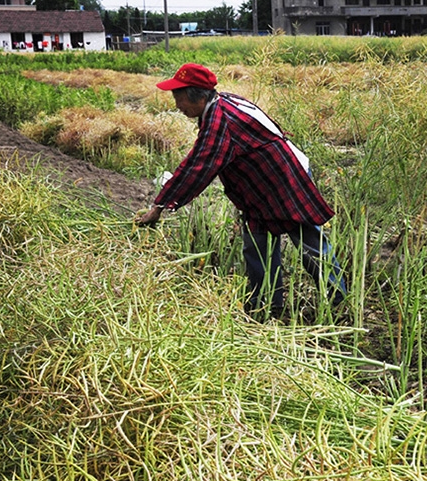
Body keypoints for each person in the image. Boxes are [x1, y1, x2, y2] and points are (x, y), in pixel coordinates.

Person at [134, 63, 346, 318]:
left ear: (198, 95)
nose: (176, 104)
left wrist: (160, 206)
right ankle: (265, 308)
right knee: (257, 247)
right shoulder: (219, 106)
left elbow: (197, 167)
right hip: (260, 190)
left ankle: (340, 301)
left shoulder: (221, 120)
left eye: (178, 96)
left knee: (310, 244)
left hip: (286, 180)